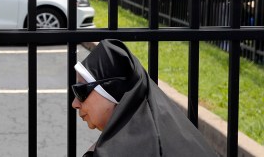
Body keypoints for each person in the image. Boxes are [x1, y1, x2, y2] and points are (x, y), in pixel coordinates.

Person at [72, 39, 215, 156]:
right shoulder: (173, 128)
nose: (75, 103)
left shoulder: (127, 150)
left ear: (113, 90)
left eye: (81, 91)